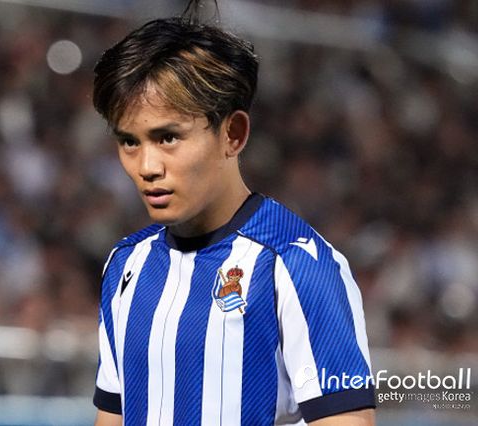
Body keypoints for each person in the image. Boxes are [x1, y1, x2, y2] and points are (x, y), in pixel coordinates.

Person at [91, 1, 375, 425]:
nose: (147, 166)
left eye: (167, 138)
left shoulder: (298, 265)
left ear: (233, 133)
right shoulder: (125, 266)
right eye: (129, 142)